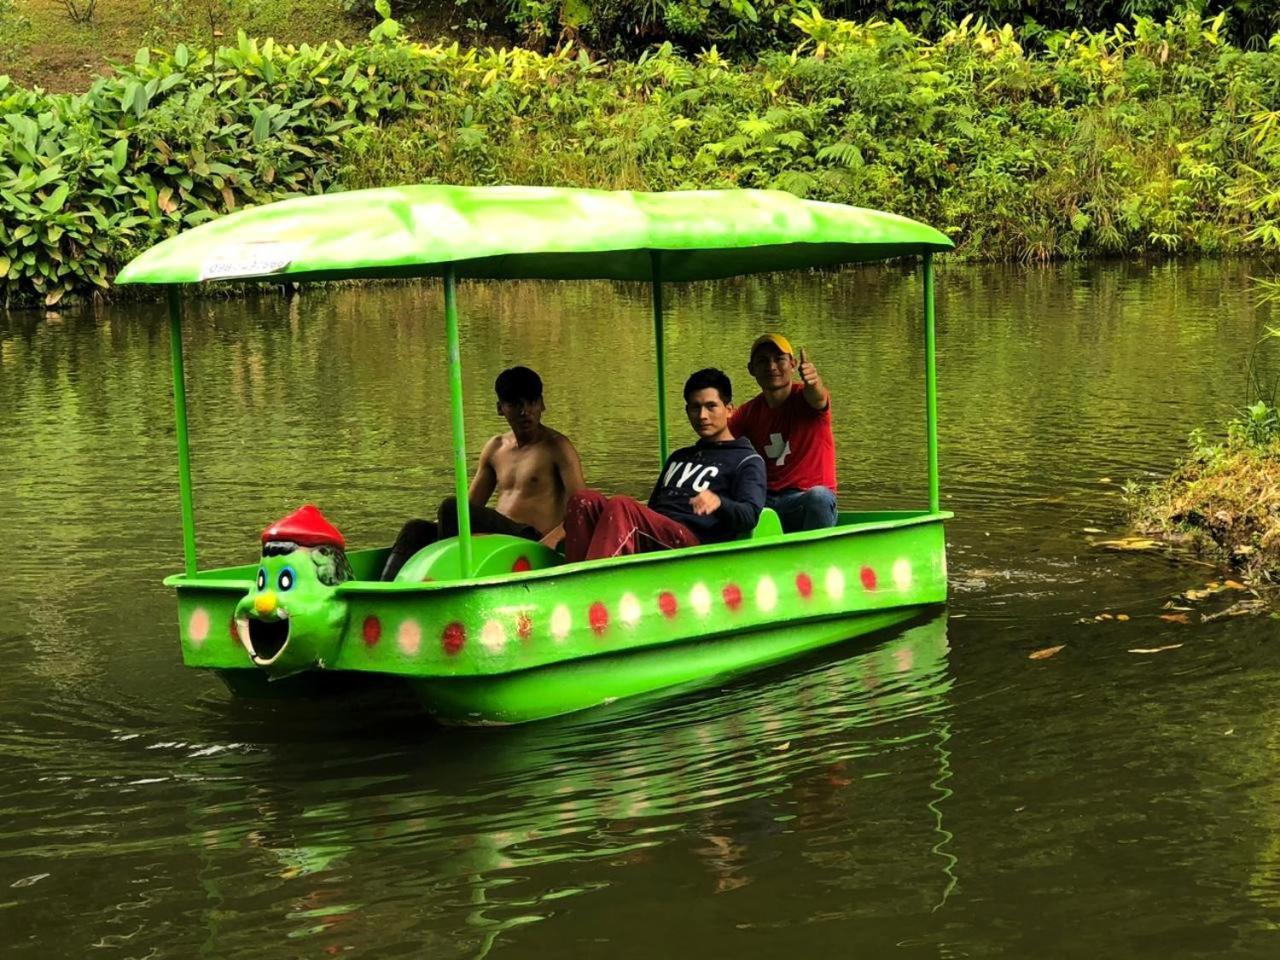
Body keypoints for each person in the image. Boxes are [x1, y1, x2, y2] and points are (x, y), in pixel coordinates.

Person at [381, 366, 586, 580]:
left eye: (531, 402)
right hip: (496, 538)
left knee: (450, 508)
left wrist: (551, 541)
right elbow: (470, 507)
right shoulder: (495, 448)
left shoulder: (557, 448)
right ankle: (383, 591)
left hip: (531, 539)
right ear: (500, 408)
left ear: (542, 404)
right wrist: (437, 527)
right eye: (515, 404)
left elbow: (583, 509)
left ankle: (447, 580)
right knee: (416, 528)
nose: (525, 411)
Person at [564, 368, 764, 562]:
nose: (702, 415)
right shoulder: (679, 456)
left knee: (621, 505)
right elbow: (654, 508)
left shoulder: (746, 460)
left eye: (711, 406)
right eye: (695, 407)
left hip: (693, 547)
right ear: (687, 411)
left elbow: (750, 515)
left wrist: (720, 503)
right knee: (583, 500)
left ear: (729, 410)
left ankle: (593, 584)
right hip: (658, 535)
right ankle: (575, 575)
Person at [729, 332, 837, 533]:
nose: (771, 367)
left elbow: (818, 398)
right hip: (766, 502)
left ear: (793, 364)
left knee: (820, 497)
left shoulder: (805, 400)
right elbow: (720, 440)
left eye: (779, 359)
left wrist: (814, 383)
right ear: (751, 369)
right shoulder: (747, 412)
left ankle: (814, 559)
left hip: (803, 500)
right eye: (763, 361)